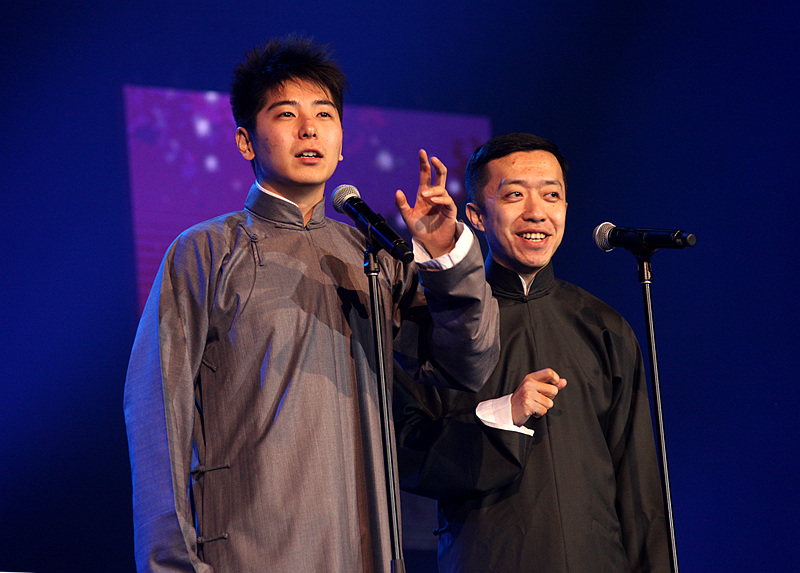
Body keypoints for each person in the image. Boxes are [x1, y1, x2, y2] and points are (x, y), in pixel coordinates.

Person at [123, 36, 498, 573]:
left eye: (324, 113)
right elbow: (156, 412)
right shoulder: (205, 251)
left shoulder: (372, 255)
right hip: (250, 549)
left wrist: (446, 260)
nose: (309, 128)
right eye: (285, 114)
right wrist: (172, 563)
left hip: (366, 547)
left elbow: (470, 364)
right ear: (246, 141)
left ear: (342, 142)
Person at [393, 133, 670, 572]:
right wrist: (504, 415)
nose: (536, 212)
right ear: (476, 216)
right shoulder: (436, 322)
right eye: (515, 195)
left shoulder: (604, 327)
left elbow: (640, 490)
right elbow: (407, 454)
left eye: (552, 195)